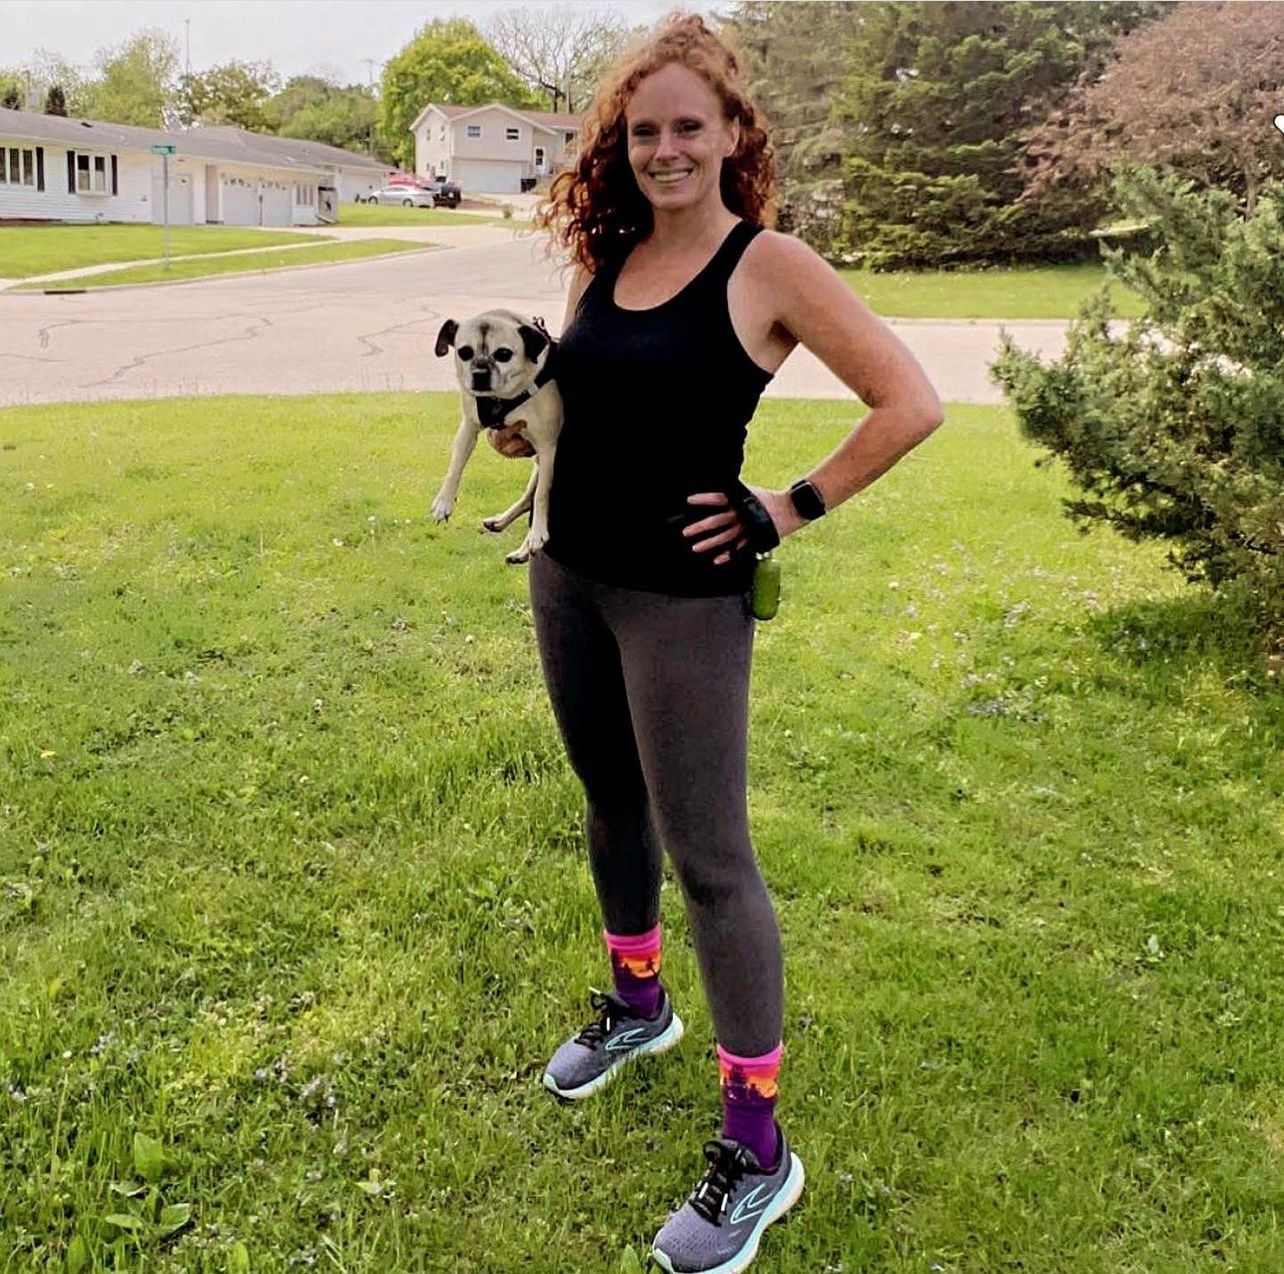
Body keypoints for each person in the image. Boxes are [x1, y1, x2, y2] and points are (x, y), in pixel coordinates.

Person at [489, 14, 943, 1272]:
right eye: (644, 131)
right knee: (609, 804)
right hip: (569, 576)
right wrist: (527, 429)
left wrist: (787, 506)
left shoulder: (769, 265)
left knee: (713, 862)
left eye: (689, 126)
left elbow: (911, 401)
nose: (666, 149)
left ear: (735, 133)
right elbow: (581, 401)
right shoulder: (608, 255)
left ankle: (758, 1149)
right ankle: (639, 1004)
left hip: (681, 602)